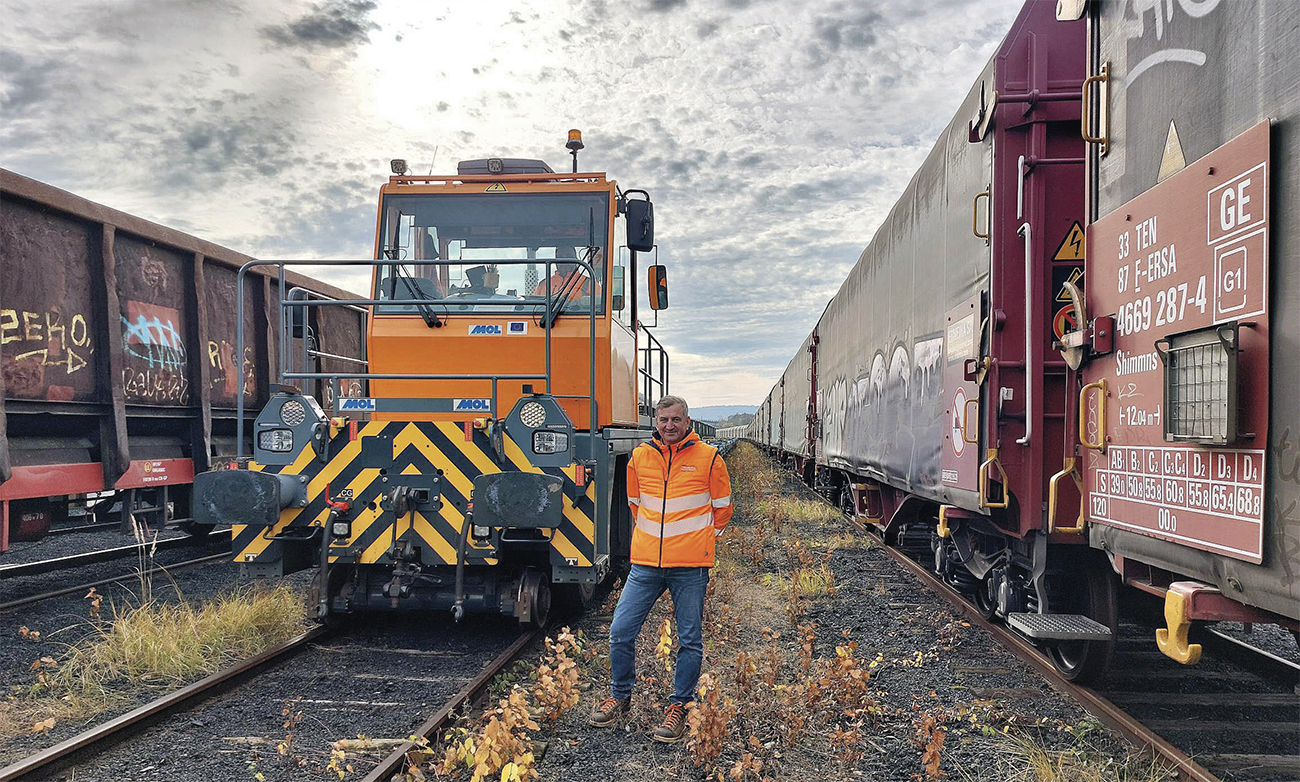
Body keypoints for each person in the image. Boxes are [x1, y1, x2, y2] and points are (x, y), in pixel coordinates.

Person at [589, 395, 732, 743]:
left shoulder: (709, 458)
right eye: (664, 419)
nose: (670, 426)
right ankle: (620, 697)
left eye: (676, 420)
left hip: (690, 567)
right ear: (656, 422)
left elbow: (723, 509)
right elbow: (635, 504)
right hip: (646, 565)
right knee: (620, 631)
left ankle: (679, 706)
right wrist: (653, 541)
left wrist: (696, 542)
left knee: (690, 640)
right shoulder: (639, 457)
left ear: (688, 422)